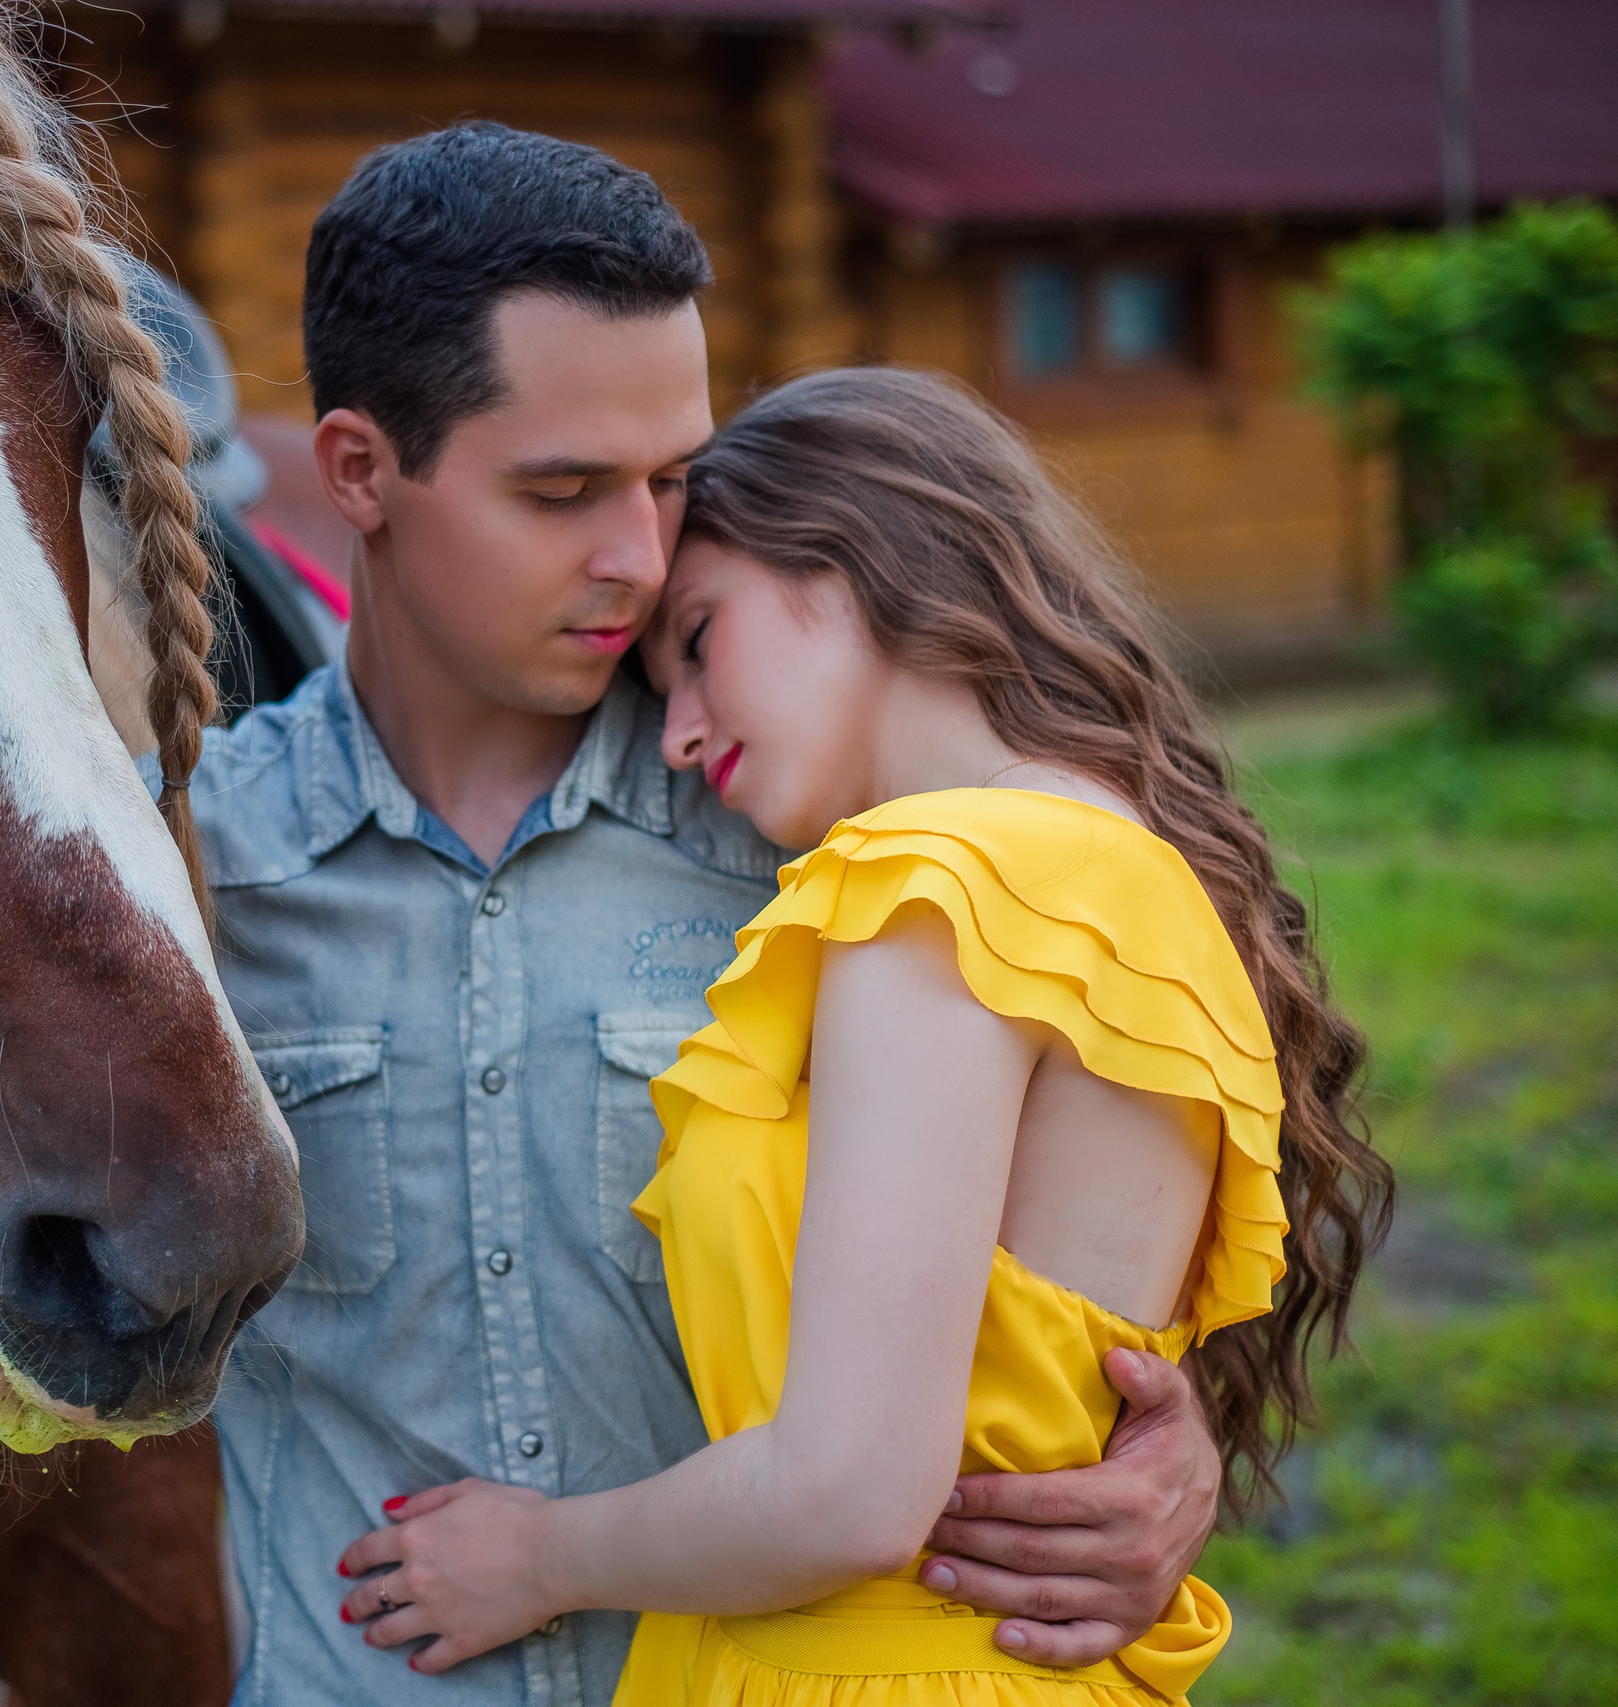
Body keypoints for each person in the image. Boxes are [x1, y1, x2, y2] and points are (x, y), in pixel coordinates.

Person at [168, 123, 1236, 1707]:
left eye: (672, 481)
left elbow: (1049, 1249)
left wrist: (1161, 1442)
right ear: (358, 471)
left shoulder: (821, 843)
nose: (641, 556)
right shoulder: (177, 871)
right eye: (563, 490)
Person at [329, 368, 1394, 1701]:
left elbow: (844, 1495)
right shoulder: (1120, 871)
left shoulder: (938, 885)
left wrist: (538, 1553)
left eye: (700, 642)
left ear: (856, 559)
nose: (680, 735)